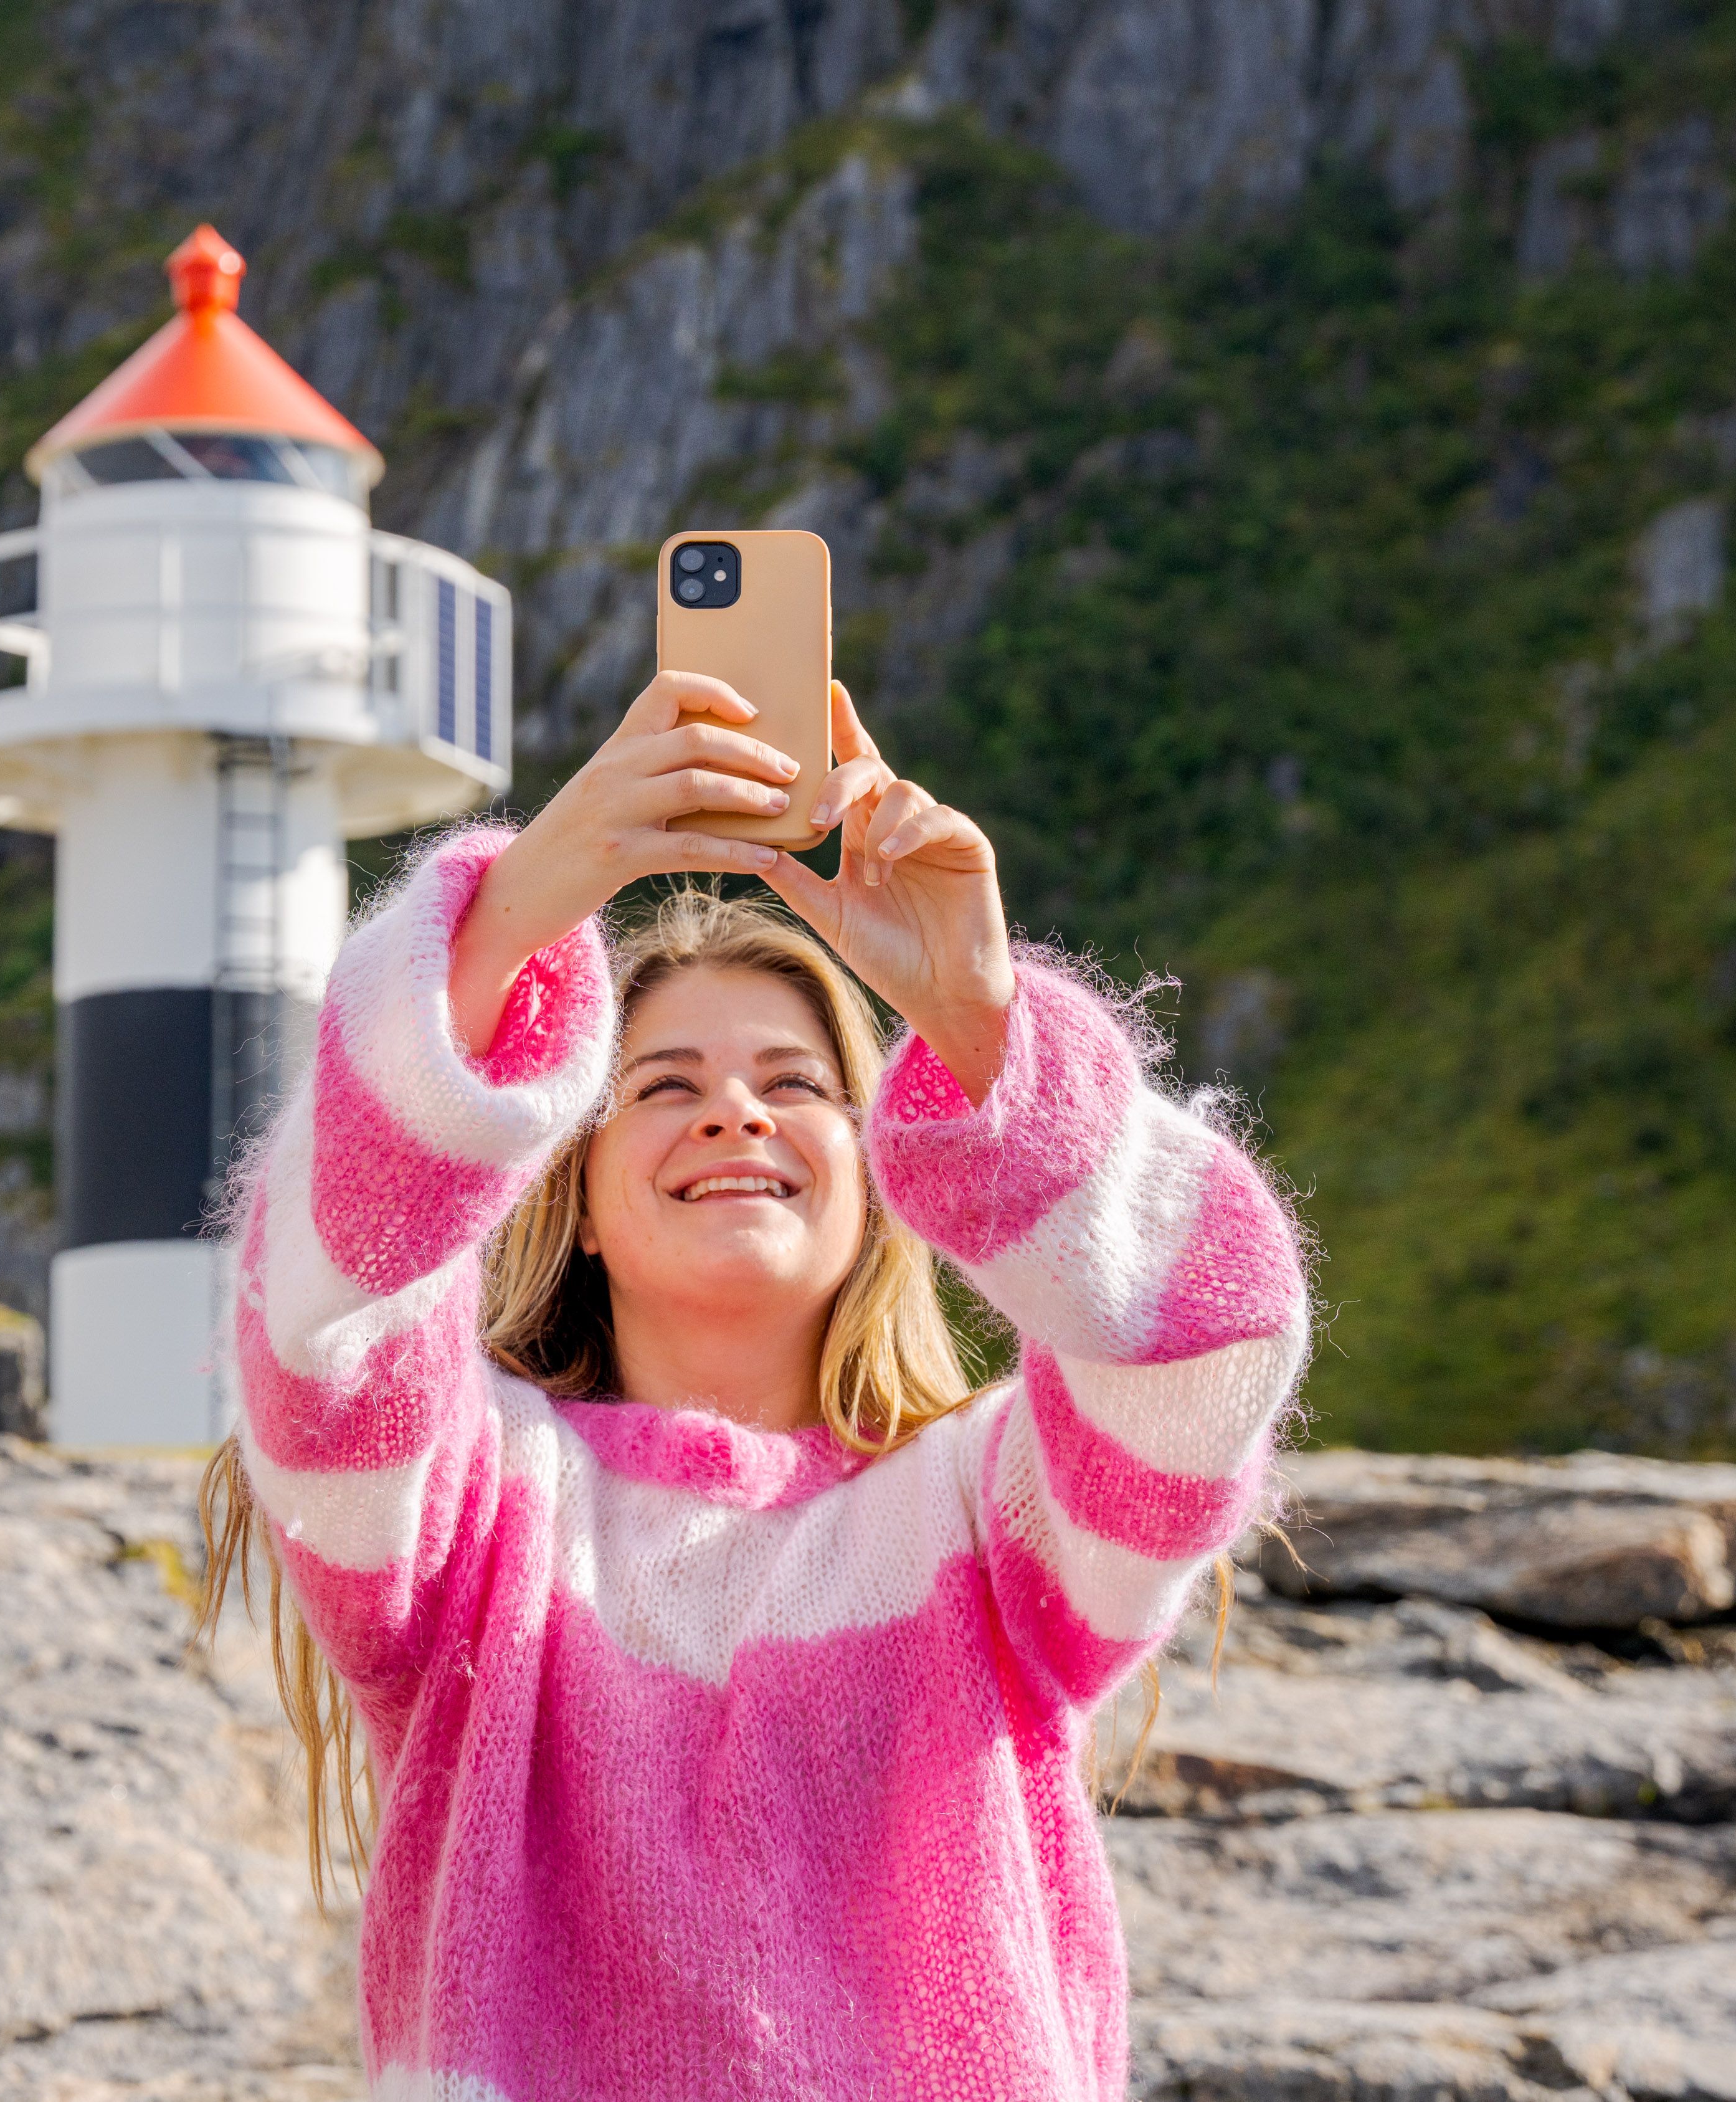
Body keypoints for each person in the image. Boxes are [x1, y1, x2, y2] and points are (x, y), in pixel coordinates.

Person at [196, 670, 1309, 2100]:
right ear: (575, 1193)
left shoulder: (1000, 1527)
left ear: (883, 1173)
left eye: (797, 1083)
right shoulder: (468, 1526)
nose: (736, 1107)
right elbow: (320, 1317)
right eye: (663, 1085)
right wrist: (525, 904)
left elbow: (1214, 1332)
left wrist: (976, 1015)